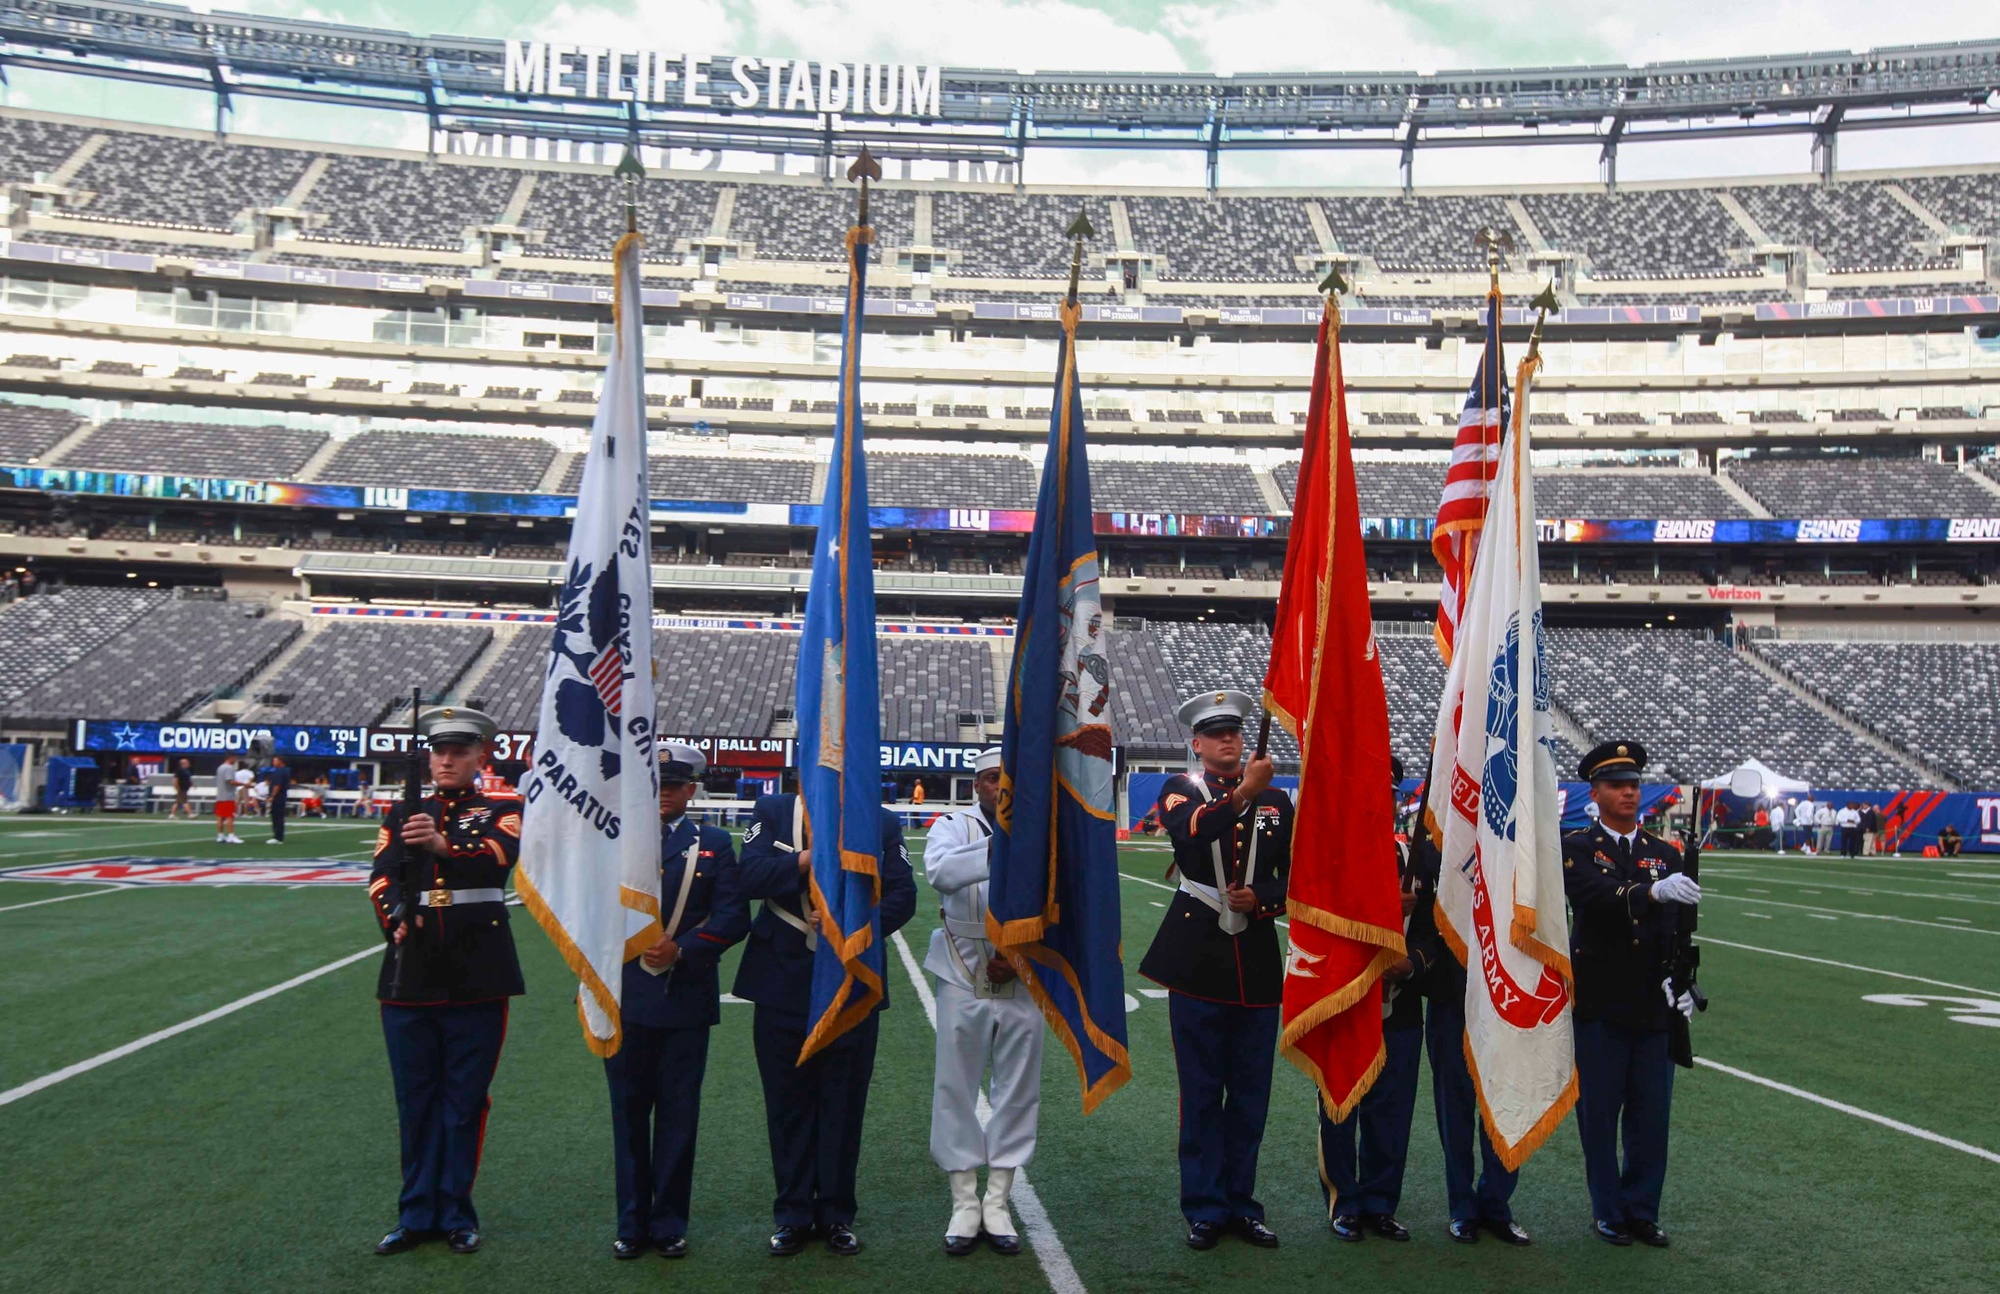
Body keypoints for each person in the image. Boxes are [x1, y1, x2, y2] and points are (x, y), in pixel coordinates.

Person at [734, 783, 917, 1257]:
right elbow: (748, 878)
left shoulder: (880, 820)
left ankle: (837, 1213)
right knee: (787, 1103)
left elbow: (903, 894)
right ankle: (793, 1213)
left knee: (843, 1103)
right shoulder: (773, 810)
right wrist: (804, 860)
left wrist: (856, 928)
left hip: (851, 981)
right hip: (780, 982)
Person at [367, 706, 525, 1258]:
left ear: (483, 754)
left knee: (463, 1103)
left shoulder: (504, 806)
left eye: (459, 751)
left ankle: (456, 1212)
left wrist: (441, 846)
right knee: (415, 1102)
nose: (447, 760)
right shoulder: (403, 809)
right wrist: (395, 913)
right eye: (439, 751)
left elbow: (498, 858)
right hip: (409, 975)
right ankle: (414, 1214)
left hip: (477, 972)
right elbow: (381, 873)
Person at [1139, 690, 1289, 1252]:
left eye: (1235, 732)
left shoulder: (1278, 800)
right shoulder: (1180, 790)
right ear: (1197, 744)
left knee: (1251, 1096)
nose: (1228, 740)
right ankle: (1203, 1207)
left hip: (1254, 962)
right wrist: (1245, 791)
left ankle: (1242, 1205)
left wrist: (1266, 899)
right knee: (1201, 1093)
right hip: (1197, 958)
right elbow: (1193, 832)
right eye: (1216, 734)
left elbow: (1294, 874)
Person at [604, 743, 750, 1261]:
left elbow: (734, 917)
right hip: (623, 996)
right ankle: (631, 1222)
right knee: (627, 1115)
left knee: (678, 1117)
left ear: (692, 790)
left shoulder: (712, 842)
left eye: (673, 786)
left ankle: (668, 1223)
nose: (663, 794)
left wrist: (682, 949)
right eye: (656, 785)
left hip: (684, 997)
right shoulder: (615, 838)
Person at [1563, 741, 1700, 1248]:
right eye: (1617, 784)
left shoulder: (1665, 854)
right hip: (1600, 1003)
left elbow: (1676, 931)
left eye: (1634, 784)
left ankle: (1642, 1209)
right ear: (1594, 792)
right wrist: (1650, 892)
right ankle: (1608, 1210)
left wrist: (1681, 982)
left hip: (1652, 1005)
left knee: (1650, 1118)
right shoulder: (1576, 845)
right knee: (1599, 1115)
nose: (1628, 791)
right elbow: (1595, 899)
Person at [923, 747, 1042, 1257]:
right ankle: (964, 1199)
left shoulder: (1043, 831)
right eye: (993, 779)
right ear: (977, 786)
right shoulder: (953, 824)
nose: (1002, 787)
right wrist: (1003, 847)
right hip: (961, 966)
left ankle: (999, 1198)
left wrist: (1018, 954)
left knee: (1018, 1086)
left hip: (1026, 970)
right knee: (956, 1084)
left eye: (1009, 779)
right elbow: (941, 875)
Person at [1406, 776, 1531, 1247]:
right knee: (1454, 1106)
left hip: (1505, 993)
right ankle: (1462, 1206)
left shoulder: (1519, 847)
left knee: (1504, 1103)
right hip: (1450, 992)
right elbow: (1419, 924)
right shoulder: (1433, 848)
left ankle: (1497, 1204)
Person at [1320, 754, 1423, 1244]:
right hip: (1346, 998)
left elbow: (1439, 930)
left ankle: (1381, 1203)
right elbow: (1320, 919)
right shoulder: (1332, 852)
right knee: (1343, 1102)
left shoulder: (1414, 856)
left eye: (1389, 793)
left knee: (1392, 1108)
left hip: (1399, 999)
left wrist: (1414, 961)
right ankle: (1345, 1201)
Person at [264, 755, 293, 844]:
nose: (274, 762)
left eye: (275, 761)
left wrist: (272, 796)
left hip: (278, 798)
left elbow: (278, 785)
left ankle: (278, 837)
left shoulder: (280, 771)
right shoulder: (284, 771)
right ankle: (278, 836)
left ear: (281, 761)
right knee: (278, 817)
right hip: (281, 797)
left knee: (277, 817)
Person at [214, 755, 242, 844]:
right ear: (230, 758)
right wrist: (244, 784)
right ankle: (231, 835)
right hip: (228, 796)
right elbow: (230, 781)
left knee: (220, 817)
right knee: (229, 816)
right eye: (235, 758)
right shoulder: (229, 768)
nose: (235, 760)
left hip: (220, 796)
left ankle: (220, 835)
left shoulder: (220, 767)